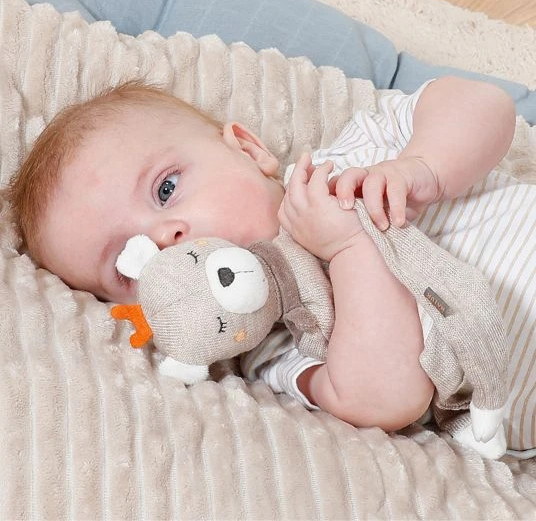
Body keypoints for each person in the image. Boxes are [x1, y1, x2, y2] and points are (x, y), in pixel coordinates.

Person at [9, 76, 534, 451]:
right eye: (130, 261)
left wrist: (425, 166)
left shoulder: (345, 162)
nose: (165, 239)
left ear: (247, 149)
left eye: (166, 189)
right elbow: (387, 400)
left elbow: (484, 105)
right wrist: (350, 249)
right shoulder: (276, 348)